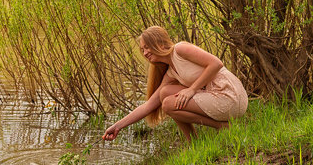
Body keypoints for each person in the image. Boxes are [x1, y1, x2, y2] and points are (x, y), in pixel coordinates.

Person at [103, 26, 248, 144]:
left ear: (159, 43)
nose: (145, 53)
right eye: (142, 50)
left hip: (229, 96)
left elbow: (216, 63)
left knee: (168, 104)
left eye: (147, 47)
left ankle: (223, 127)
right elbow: (148, 106)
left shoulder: (180, 49)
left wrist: (191, 90)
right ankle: (194, 143)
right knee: (165, 93)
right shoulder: (171, 73)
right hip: (220, 99)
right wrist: (117, 126)